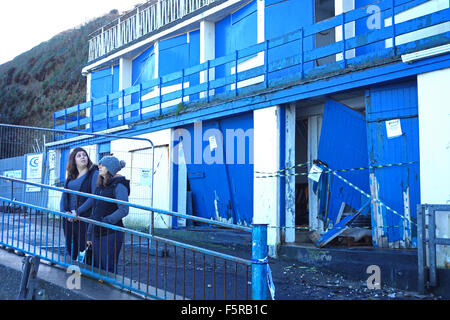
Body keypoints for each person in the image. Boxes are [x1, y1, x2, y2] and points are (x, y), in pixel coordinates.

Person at [86, 156, 130, 273]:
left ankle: (109, 291)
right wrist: (89, 234)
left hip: (111, 233)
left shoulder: (119, 185)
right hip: (97, 232)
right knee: (96, 266)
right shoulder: (100, 186)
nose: (99, 167)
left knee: (107, 267)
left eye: (103, 165)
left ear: (110, 169)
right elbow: (94, 211)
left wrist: (105, 221)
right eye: (100, 164)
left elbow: (124, 209)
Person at [60, 147, 99, 261]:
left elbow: (93, 197)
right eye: (79, 155)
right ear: (74, 160)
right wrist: (64, 213)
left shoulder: (94, 174)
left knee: (84, 249)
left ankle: (85, 274)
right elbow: (64, 196)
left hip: (84, 218)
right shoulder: (70, 176)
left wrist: (77, 212)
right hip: (69, 218)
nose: (83, 157)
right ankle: (73, 269)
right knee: (71, 247)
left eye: (84, 155)